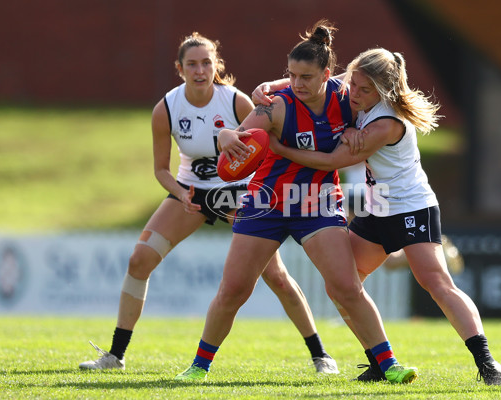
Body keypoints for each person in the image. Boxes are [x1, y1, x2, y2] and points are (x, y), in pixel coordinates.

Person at [78, 32, 339, 375]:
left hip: (238, 194)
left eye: (206, 63)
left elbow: (271, 148)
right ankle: (115, 355)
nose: (200, 70)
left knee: (275, 276)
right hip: (191, 193)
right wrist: (180, 192)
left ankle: (321, 355)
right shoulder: (167, 108)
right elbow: (160, 169)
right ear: (179, 68)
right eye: (192, 64)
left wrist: (252, 193)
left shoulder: (236, 102)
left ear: (217, 65)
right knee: (139, 260)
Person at [174, 20, 418, 384]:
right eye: (291, 76)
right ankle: (198, 366)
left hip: (317, 202)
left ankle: (388, 364)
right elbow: (239, 136)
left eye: (306, 77)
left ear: (328, 74)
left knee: (347, 287)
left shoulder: (347, 99)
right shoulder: (277, 107)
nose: (297, 84)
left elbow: (380, 105)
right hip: (267, 201)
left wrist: (357, 130)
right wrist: (226, 134)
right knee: (234, 290)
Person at [257, 47, 501, 385]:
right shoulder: (359, 89)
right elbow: (322, 82)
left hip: (412, 207)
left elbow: (332, 162)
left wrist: (280, 149)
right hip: (378, 208)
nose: (354, 94)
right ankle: (378, 359)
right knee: (342, 286)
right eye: (354, 85)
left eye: (363, 90)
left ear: (383, 90)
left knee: (436, 283)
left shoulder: (387, 122)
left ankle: (488, 363)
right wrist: (270, 87)